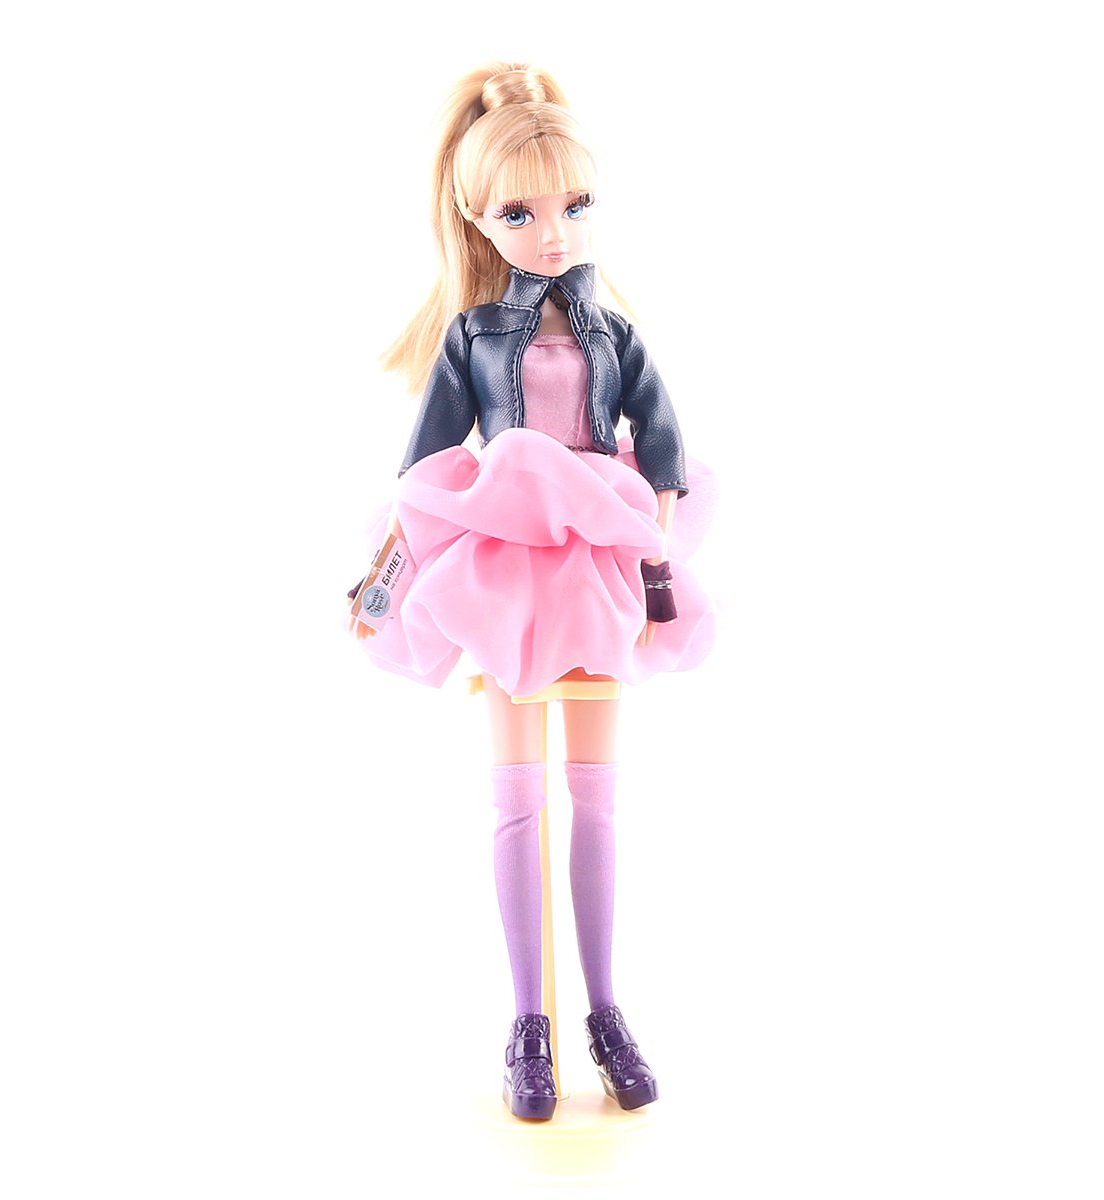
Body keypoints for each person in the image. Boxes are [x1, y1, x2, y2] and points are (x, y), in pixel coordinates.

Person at [348, 62, 716, 1120]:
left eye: (574, 204)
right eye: (521, 212)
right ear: (476, 217)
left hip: (596, 572)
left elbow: (664, 450)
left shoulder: (615, 333)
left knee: (597, 799)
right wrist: (381, 586)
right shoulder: (471, 336)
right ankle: (528, 1024)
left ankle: (606, 1010)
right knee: (516, 801)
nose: (554, 232)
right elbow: (423, 475)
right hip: (507, 573)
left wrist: (654, 547)